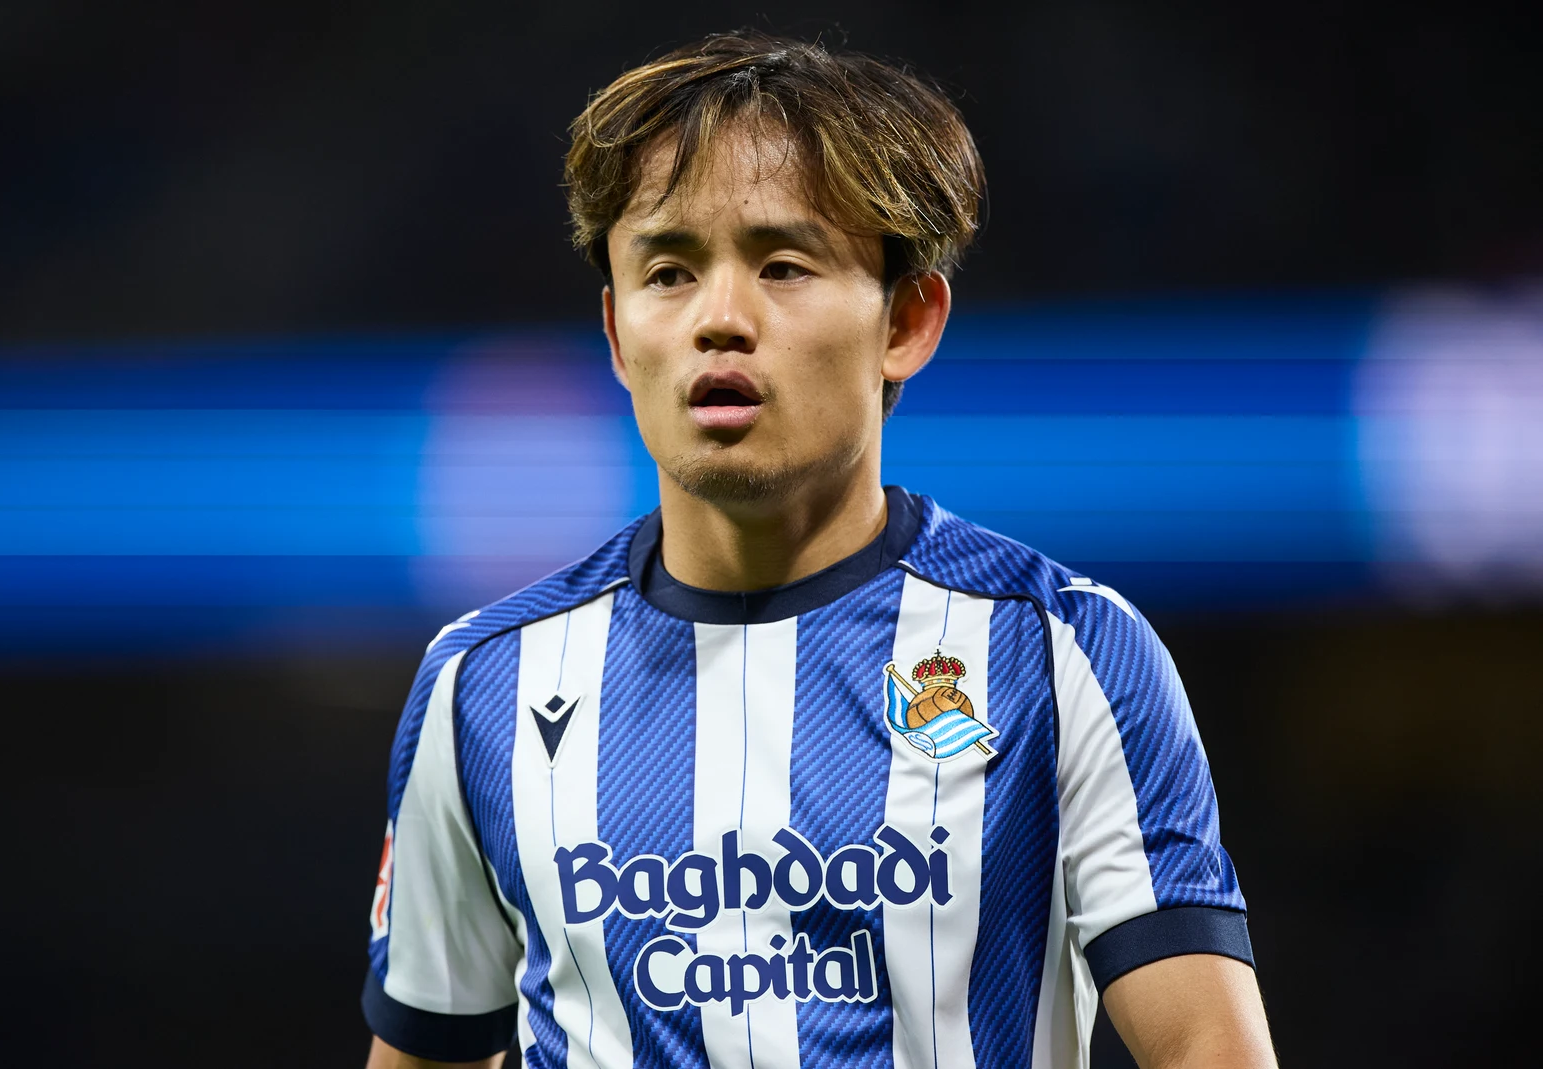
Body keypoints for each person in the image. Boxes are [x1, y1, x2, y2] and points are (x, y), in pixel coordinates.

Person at [361, 31, 1277, 1069]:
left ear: (907, 320)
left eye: (782, 265)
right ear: (618, 333)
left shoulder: (1058, 652)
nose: (718, 319)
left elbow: (1211, 1047)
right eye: (669, 270)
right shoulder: (485, 684)